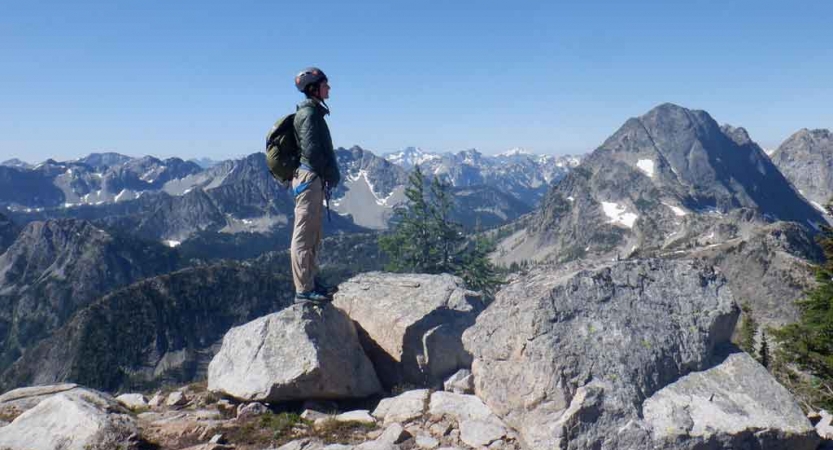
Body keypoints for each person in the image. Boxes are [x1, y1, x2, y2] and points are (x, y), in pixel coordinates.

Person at [291, 67, 341, 302]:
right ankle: (303, 289)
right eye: (325, 84)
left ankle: (310, 280)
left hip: (312, 179)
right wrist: (329, 172)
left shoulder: (312, 112)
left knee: (312, 233)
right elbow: (311, 152)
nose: (328, 88)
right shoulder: (309, 115)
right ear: (313, 88)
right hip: (310, 179)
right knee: (303, 235)